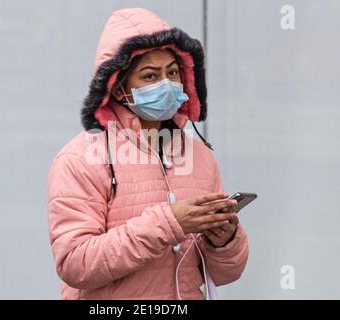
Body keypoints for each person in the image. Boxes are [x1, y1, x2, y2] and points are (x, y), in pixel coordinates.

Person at [47, 8, 248, 300]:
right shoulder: (80, 158)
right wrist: (170, 223)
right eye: (150, 75)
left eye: (172, 72)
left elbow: (225, 273)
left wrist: (225, 240)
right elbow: (75, 264)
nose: (166, 84)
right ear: (117, 89)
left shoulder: (200, 156)